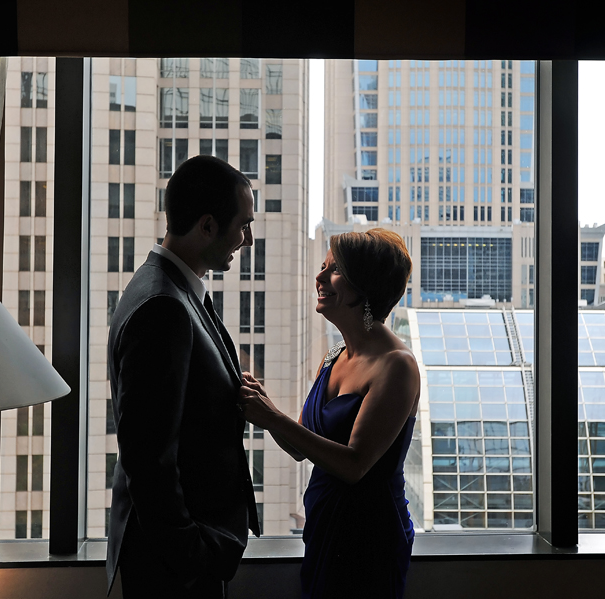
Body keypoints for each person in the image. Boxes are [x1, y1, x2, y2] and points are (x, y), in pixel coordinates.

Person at [106, 155, 261, 598]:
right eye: (243, 225)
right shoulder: (164, 307)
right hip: (173, 570)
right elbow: (149, 458)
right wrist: (192, 555)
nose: (247, 240)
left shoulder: (169, 287)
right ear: (208, 226)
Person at [238, 228, 420, 599]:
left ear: (363, 285)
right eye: (323, 267)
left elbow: (355, 465)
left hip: (369, 536)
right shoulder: (333, 356)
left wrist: (271, 415)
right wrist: (261, 403)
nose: (319, 278)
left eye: (334, 270)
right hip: (324, 527)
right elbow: (299, 447)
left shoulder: (396, 366)